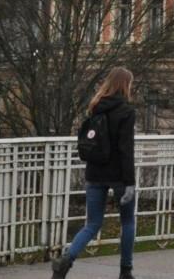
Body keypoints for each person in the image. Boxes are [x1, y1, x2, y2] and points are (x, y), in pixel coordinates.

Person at [52, 67, 137, 279]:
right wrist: (130, 182)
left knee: (92, 224)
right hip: (119, 175)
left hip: (94, 172)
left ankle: (66, 260)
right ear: (125, 85)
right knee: (127, 222)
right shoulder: (127, 112)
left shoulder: (94, 107)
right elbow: (126, 149)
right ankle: (125, 272)